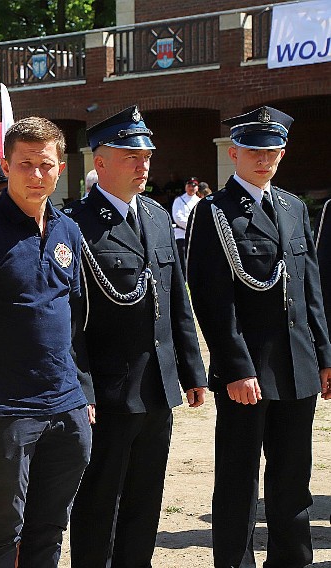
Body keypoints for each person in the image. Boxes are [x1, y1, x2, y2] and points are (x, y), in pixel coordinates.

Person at [186, 106, 331, 568]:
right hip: (248, 370)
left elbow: (311, 290)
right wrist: (235, 366)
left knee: (293, 477)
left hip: (297, 363)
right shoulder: (215, 213)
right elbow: (213, 298)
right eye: (254, 151)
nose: (264, 160)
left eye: (272, 152)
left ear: (282, 154)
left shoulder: (291, 207)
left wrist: (325, 356)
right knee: (239, 477)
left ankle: (292, 559)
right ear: (234, 153)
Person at [64, 106, 207, 567]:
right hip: (108, 391)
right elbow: (70, 320)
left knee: (146, 500)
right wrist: (83, 390)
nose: (142, 164)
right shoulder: (75, 225)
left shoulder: (157, 215)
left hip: (157, 387)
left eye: (145, 155)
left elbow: (175, 300)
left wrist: (191, 369)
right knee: (99, 502)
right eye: (129, 155)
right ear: (99, 162)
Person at [0, 117, 92, 568]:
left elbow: (77, 322)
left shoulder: (68, 230)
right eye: (24, 164)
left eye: (45, 165)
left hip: (66, 408)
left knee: (50, 528)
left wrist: (82, 391)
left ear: (60, 167)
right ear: (6, 166)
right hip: (6, 410)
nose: (36, 175)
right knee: (1, 531)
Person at [171, 176, 200, 274]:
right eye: (189, 185)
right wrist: (190, 226)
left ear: (197, 187)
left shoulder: (200, 201)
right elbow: (177, 217)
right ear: (186, 186)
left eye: (194, 185)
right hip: (181, 234)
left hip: (195, 235)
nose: (192, 187)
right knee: (182, 256)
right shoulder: (179, 200)